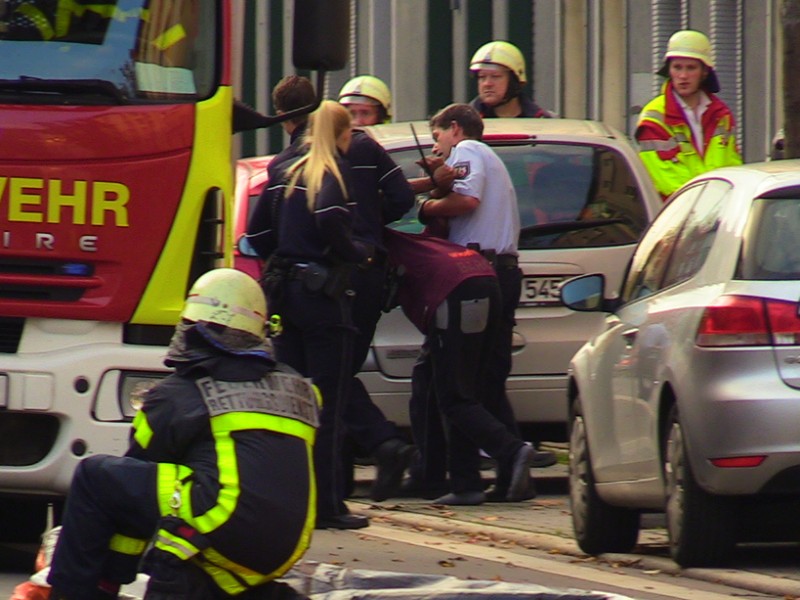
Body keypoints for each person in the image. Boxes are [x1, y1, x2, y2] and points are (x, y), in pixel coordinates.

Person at [46, 268, 318, 600]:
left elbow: (128, 494)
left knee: (96, 478)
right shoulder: (300, 389)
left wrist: (114, 576)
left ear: (189, 327)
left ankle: (68, 595)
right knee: (203, 529)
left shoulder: (177, 395)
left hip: (221, 521)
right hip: (286, 545)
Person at [250, 100, 372, 530]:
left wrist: (283, 258)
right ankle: (328, 507)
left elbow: (256, 232)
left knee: (292, 405)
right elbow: (333, 227)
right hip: (323, 301)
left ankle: (291, 502)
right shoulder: (332, 175)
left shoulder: (285, 173)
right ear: (343, 134)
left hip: (286, 298)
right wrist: (359, 254)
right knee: (327, 406)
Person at [413, 103, 536, 501]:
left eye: (438, 138)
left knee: (455, 382)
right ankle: (510, 477)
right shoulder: (492, 160)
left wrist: (427, 207)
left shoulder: (469, 151)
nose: (439, 148)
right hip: (502, 274)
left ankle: (473, 477)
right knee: (483, 381)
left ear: (454, 128)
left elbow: (467, 201)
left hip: (473, 275)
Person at [383, 228, 536, 505]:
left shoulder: (378, 251)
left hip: (456, 291)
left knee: (454, 397)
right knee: (462, 390)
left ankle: (511, 451)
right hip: (485, 278)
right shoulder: (414, 243)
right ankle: (466, 484)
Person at [635, 29, 742, 200]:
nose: (683, 76)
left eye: (691, 68)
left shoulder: (721, 116)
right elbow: (669, 182)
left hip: (720, 215)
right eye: (677, 67)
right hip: (677, 218)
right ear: (669, 70)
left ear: (704, 72)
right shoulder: (654, 118)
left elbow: (734, 169)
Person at [468, 40, 552, 119]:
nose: (487, 84)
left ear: (514, 81)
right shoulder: (462, 123)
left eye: (495, 76)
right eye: (482, 77)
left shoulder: (544, 121)